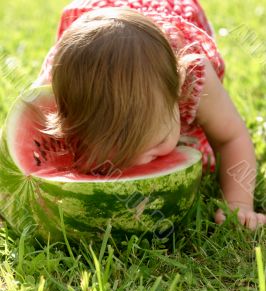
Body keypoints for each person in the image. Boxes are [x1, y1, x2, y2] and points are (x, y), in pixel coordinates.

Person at [31, 0, 266, 229]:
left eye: (159, 143)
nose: (139, 164)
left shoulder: (195, 77)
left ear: (178, 92)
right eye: (118, 152)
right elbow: (20, 142)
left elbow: (231, 138)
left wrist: (238, 203)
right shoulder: (57, 87)